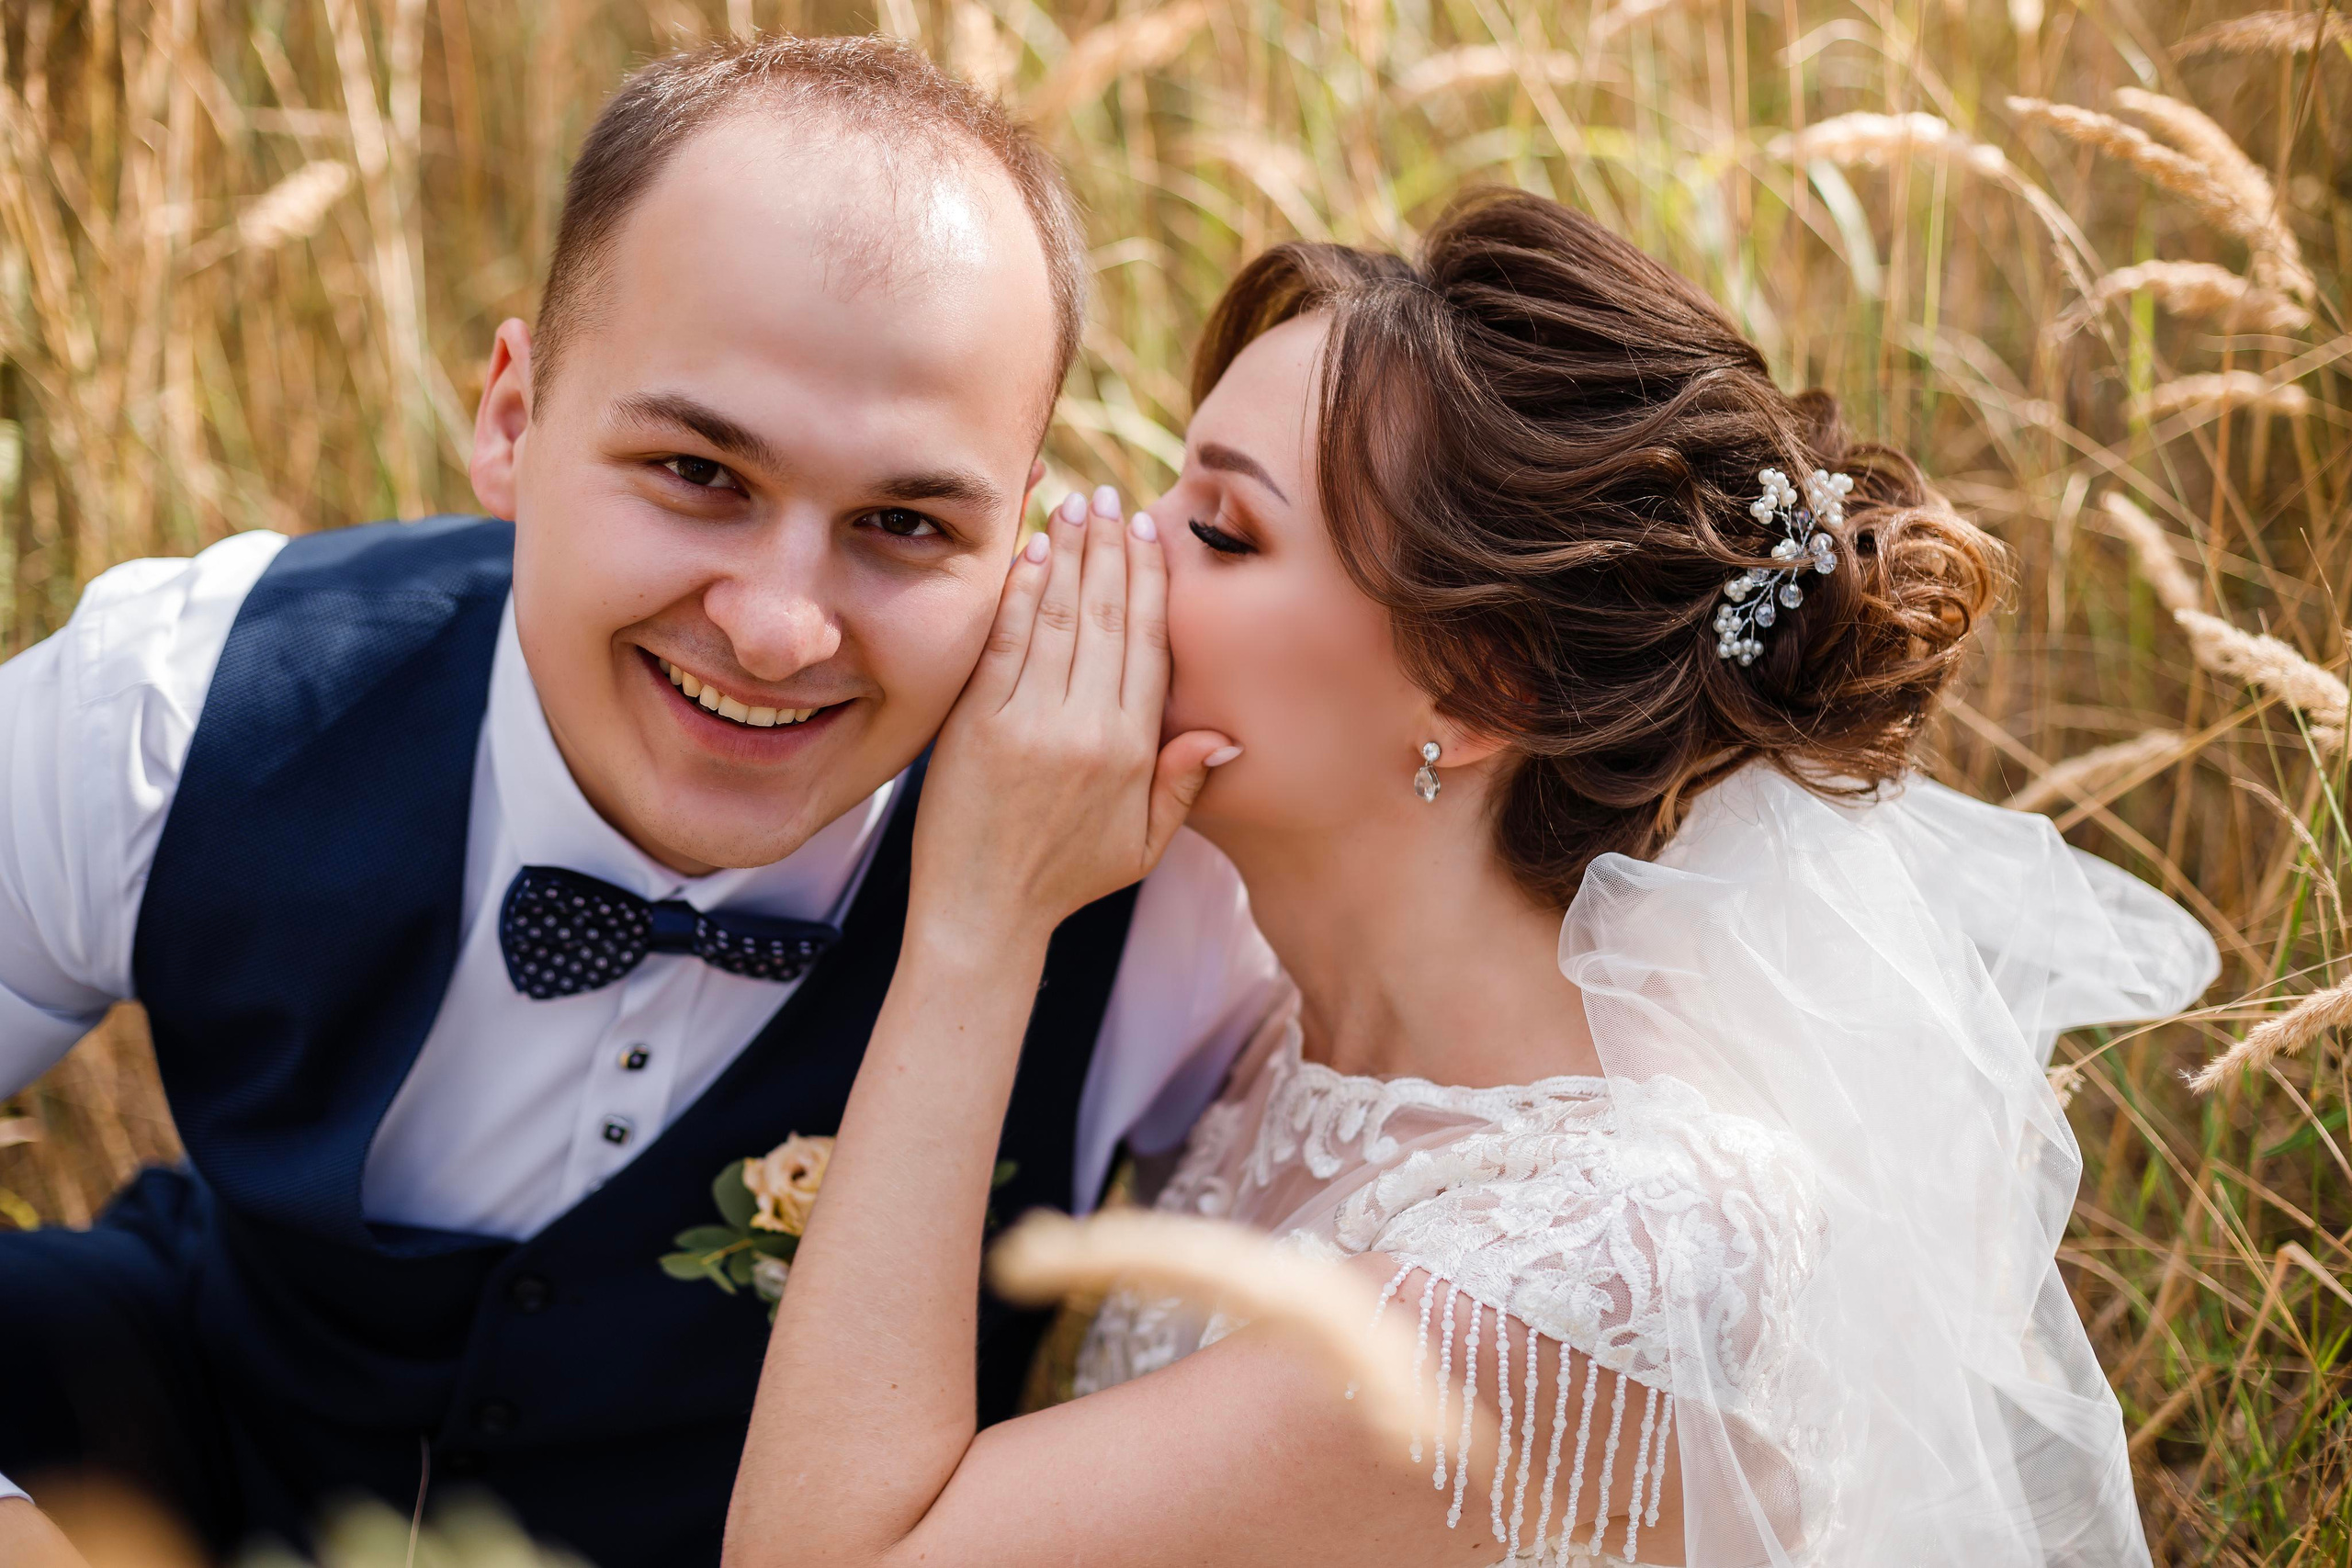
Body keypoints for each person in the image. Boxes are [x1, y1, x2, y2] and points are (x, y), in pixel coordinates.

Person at [721, 193, 2218, 1567]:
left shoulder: (1594, 1261)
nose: (1106, 543)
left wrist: (978, 920)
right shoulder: (1285, 1033)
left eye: (1222, 529)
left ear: (1479, 688)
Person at [0, 36, 1283, 1567]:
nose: (778, 630)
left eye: (902, 522)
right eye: (697, 473)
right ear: (513, 417)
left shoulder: (1158, 885)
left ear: (1024, 541)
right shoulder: (189, 695)